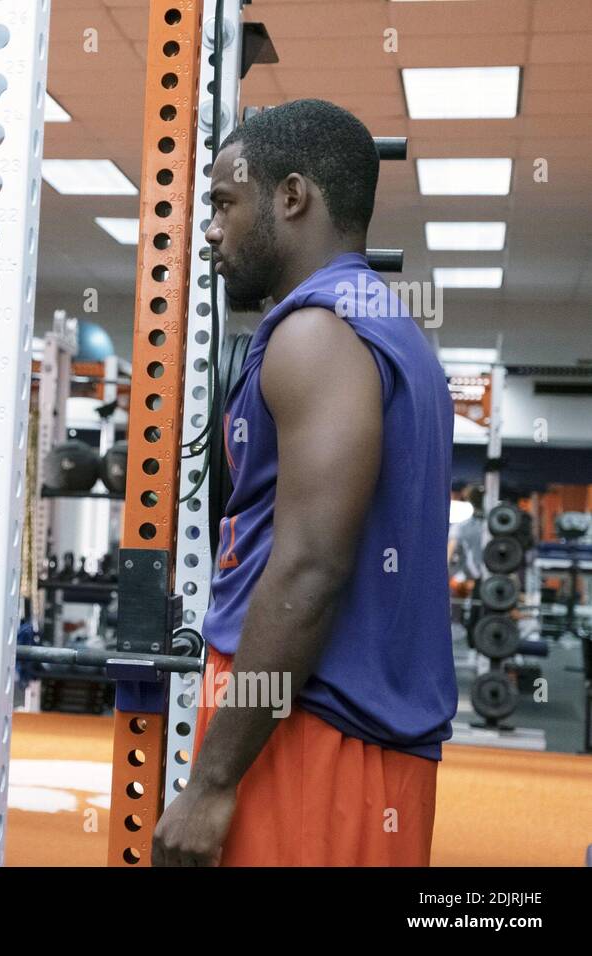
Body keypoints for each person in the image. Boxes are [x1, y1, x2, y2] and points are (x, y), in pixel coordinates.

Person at [152, 99, 456, 866]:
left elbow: (312, 568)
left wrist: (214, 781)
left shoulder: (316, 333)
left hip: (307, 732)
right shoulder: (387, 326)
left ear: (291, 197)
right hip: (356, 735)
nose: (211, 228)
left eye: (224, 201)